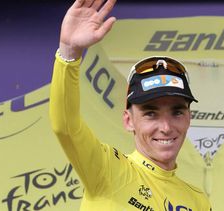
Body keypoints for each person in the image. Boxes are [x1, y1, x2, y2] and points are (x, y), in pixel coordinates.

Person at [49, 0, 212, 210]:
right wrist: (69, 53)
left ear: (189, 118)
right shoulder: (108, 170)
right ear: (128, 120)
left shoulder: (198, 201)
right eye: (150, 114)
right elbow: (65, 127)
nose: (166, 127)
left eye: (177, 112)